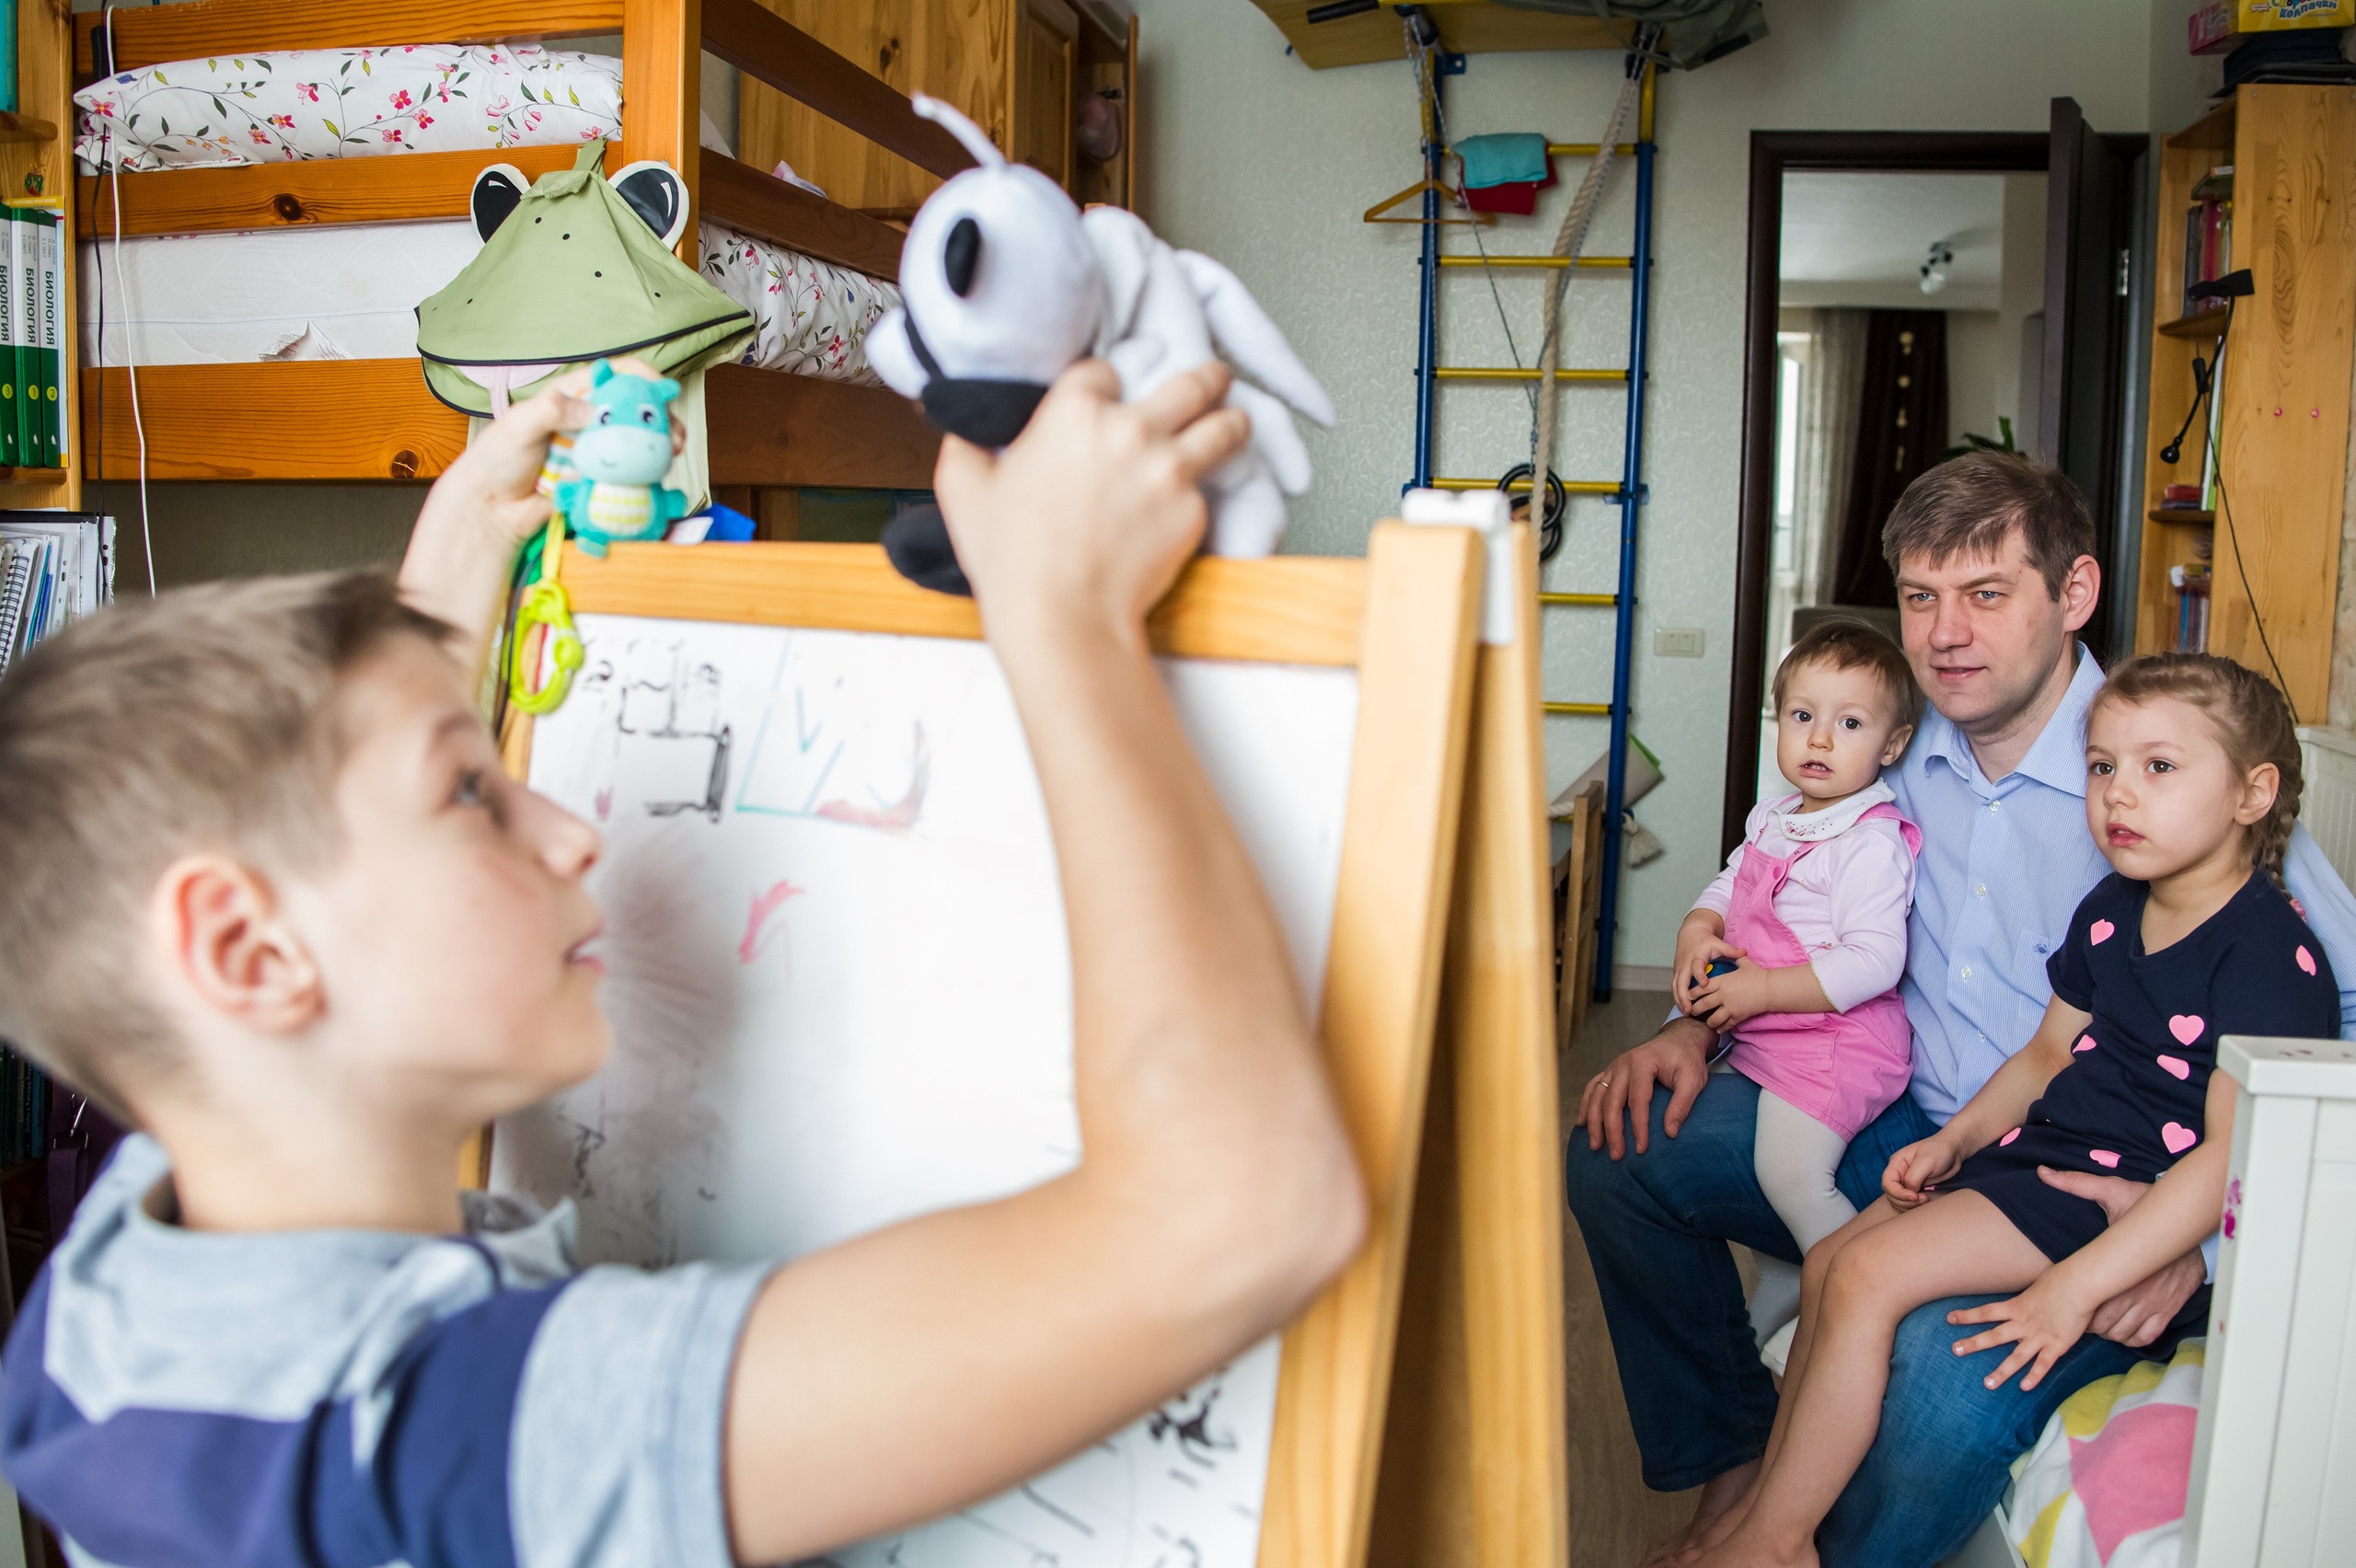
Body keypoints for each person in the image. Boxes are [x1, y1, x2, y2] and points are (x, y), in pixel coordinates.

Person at [0, 356, 1369, 1565]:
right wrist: (1064, 621)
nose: (568, 828)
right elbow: (1237, 1214)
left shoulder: (109, 1310)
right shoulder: (462, 1441)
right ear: (244, 950)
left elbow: (342, 990)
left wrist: (444, 591)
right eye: (474, 794)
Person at [1564, 451, 2356, 1568]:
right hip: (1907, 1114)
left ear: (2071, 595)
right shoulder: (1881, 745)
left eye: (1986, 595)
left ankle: (1794, 1547)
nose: (1944, 634)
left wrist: (2206, 1244)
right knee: (1619, 1153)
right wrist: (1694, 1023)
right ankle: (1736, 1485)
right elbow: (1779, 901)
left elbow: (2332, 1044)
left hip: (2106, 1169)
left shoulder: (2185, 782)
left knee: (1938, 1382)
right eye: (1920, 598)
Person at [1684, 651, 2335, 1568]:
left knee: (1868, 1282)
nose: (2116, 794)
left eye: (2158, 767)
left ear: (2251, 793)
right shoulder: (2112, 909)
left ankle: (1771, 1544)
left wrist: (2072, 1290)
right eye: (2101, 766)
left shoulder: (2269, 953)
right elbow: (2042, 1055)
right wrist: (1954, 1140)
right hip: (2038, 1158)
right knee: (1832, 1262)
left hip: (2117, 1196)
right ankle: (1768, 1523)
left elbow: (2227, 1156)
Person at [1676, 619, 1920, 1257]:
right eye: (1802, 715)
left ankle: (1848, 1283)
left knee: (1791, 1178)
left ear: (1893, 745)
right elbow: (1734, 882)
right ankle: (1791, 1292)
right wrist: (1698, 927)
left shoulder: (1869, 839)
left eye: (1850, 724)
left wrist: (1760, 990)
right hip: (1775, 1032)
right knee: (1770, 1216)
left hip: (1837, 1044)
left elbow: (1876, 960)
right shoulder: (1777, 816)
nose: (1818, 738)